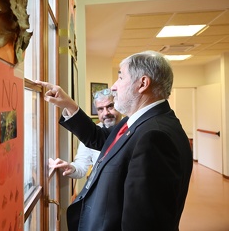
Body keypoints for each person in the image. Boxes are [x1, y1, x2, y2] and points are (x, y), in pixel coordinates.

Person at [36, 50, 193, 231]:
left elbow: (143, 222)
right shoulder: (138, 121)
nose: (113, 86)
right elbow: (100, 138)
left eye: (120, 77)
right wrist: (67, 104)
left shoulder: (155, 136)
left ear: (142, 83)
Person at [49, 89, 122, 178]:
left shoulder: (131, 127)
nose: (106, 113)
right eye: (100, 109)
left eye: (110, 106)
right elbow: (81, 166)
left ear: (119, 106)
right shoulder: (91, 134)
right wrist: (71, 168)